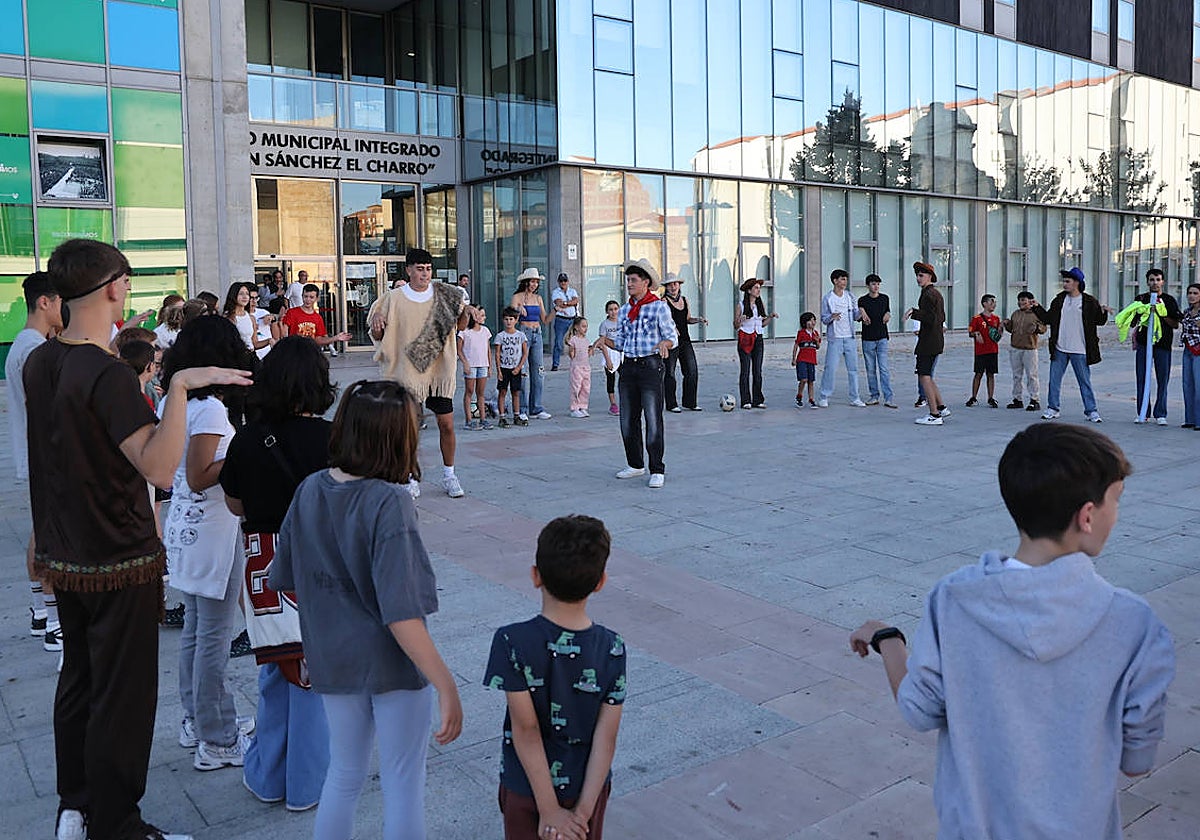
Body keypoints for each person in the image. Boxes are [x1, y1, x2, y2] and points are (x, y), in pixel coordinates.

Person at [849, 423, 1174, 839]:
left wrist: (887, 637)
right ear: (1087, 516)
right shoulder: (1135, 625)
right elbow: (1136, 759)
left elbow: (920, 708)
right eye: (1116, 500)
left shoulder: (953, 600)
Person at [26, 238, 250, 840]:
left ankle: (76, 806)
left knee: (79, 682)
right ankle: (116, 823)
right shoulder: (107, 372)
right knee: (122, 697)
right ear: (114, 288)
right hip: (117, 558)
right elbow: (157, 466)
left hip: (67, 555)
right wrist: (178, 390)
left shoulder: (40, 361)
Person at [268, 380, 463, 840]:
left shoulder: (311, 488)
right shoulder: (389, 501)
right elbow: (402, 614)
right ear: (400, 438)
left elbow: (287, 576)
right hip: (392, 665)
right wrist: (446, 682)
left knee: (344, 772)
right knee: (402, 783)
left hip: (332, 658)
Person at [219, 336, 337, 812]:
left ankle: (267, 775)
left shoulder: (247, 439)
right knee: (314, 675)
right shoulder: (333, 438)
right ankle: (308, 784)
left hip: (263, 567)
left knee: (276, 668)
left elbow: (234, 504)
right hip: (319, 565)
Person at [484, 515, 625, 840]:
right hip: (587, 787)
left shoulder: (511, 642)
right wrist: (584, 813)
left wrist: (548, 809)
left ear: (536, 576)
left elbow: (526, 729)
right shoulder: (612, 647)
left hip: (525, 787)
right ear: (600, 581)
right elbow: (607, 737)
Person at [160, 316, 257, 773]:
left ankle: (198, 719)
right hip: (211, 530)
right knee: (212, 635)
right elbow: (201, 476)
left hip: (187, 527)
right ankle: (216, 738)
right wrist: (245, 453)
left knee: (198, 632)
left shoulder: (178, 401)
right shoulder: (212, 411)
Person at [368, 248, 478, 498]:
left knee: (446, 424)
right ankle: (408, 475)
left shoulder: (445, 295)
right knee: (410, 427)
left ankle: (450, 475)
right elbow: (378, 335)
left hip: (439, 371)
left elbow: (459, 326)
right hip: (406, 371)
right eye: (419, 269)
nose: (424, 274)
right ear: (408, 270)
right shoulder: (392, 298)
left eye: (428, 269)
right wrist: (376, 324)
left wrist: (465, 312)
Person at [5, 272, 64, 657]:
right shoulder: (33, 351)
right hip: (45, 455)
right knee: (49, 537)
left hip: (37, 454)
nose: (65, 310)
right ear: (44, 302)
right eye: (61, 301)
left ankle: (42, 613)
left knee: (41, 532)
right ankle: (54, 621)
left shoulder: (28, 345)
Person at [596, 260, 677, 489]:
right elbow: (621, 342)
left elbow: (673, 335)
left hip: (650, 366)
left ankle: (657, 468)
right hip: (628, 366)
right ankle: (635, 464)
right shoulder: (623, 310)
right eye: (628, 280)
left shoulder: (659, 306)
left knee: (652, 418)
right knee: (627, 420)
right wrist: (605, 342)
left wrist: (665, 342)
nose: (629, 284)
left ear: (646, 283)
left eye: (633, 280)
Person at [1033, 267, 1110, 423]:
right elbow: (1048, 318)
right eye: (1064, 281)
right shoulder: (1059, 300)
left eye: (1068, 281)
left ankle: (1091, 411)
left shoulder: (1088, 301)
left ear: (1077, 283)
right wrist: (1036, 307)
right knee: (1054, 380)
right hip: (1060, 348)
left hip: (1080, 349)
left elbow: (1100, 321)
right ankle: (1053, 408)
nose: (1064, 284)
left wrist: (1103, 311)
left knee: (1084, 382)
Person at [1130, 268, 1182, 425]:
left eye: (1158, 279)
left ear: (1163, 282)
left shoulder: (1169, 300)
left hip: (1163, 344)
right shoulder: (1140, 298)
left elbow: (1175, 323)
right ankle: (1143, 412)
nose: (1155, 283)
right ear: (1147, 282)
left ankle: (1160, 413)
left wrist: (1161, 312)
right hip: (1144, 343)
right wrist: (1141, 311)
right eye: (1152, 280)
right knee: (1142, 377)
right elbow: (1133, 320)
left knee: (1162, 378)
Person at [905, 261, 949, 426]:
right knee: (928, 376)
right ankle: (941, 407)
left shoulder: (928, 294)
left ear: (930, 276)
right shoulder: (934, 293)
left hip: (928, 341)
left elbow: (932, 318)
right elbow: (941, 317)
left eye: (921, 275)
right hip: (934, 340)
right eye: (917, 275)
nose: (918, 278)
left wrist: (914, 312)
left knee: (924, 377)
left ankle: (934, 414)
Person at [817, 269, 865, 408]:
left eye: (845, 279)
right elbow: (824, 319)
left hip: (849, 337)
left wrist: (861, 313)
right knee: (830, 368)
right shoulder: (828, 298)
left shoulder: (850, 296)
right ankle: (824, 396)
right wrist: (832, 317)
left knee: (853, 369)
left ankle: (855, 397)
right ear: (835, 281)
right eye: (842, 279)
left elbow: (855, 315)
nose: (844, 282)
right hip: (835, 338)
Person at [511, 268, 553, 419]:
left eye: (536, 282)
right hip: (523, 332)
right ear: (526, 282)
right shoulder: (517, 297)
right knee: (523, 371)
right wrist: (517, 309)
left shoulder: (538, 298)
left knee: (538, 371)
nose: (534, 284)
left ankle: (536, 407)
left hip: (537, 332)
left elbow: (545, 319)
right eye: (532, 281)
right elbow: (511, 318)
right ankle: (522, 408)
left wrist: (556, 310)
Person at [661, 275, 706, 413]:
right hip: (671, 341)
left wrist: (698, 320)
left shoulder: (684, 300)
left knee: (692, 371)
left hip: (685, 340)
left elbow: (686, 319)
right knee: (670, 372)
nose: (673, 287)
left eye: (675, 284)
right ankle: (671, 404)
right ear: (666, 287)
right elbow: (662, 320)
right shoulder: (663, 301)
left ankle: (690, 402)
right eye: (670, 285)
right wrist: (672, 327)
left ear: (679, 285)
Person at [735, 278, 777, 409]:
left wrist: (770, 317)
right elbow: (735, 325)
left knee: (757, 370)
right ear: (749, 290)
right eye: (756, 288)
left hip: (758, 338)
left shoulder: (760, 305)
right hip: (745, 338)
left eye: (759, 288)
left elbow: (762, 324)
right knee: (745, 370)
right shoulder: (741, 305)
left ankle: (758, 399)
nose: (758, 291)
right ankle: (745, 400)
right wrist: (740, 320)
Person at [1002, 290, 1046, 411]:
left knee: (1032, 375)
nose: (1020, 302)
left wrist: (1037, 328)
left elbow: (1043, 328)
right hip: (1015, 347)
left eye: (1023, 300)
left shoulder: (1035, 314)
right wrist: (1007, 324)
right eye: (1019, 300)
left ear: (1030, 302)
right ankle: (1017, 399)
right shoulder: (1015, 314)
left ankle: (1034, 400)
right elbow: (1012, 329)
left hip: (1030, 349)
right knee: (1016, 375)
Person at [857, 274, 895, 408]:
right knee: (870, 369)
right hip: (868, 338)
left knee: (884, 368)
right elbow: (858, 316)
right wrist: (862, 312)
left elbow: (888, 311)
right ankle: (874, 395)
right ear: (868, 285)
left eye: (878, 284)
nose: (876, 286)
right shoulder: (862, 300)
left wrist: (888, 314)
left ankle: (888, 397)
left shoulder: (885, 298)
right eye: (873, 284)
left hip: (882, 337)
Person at [281, 283, 351, 350]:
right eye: (305, 296)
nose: (308, 300)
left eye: (311, 297)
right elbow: (284, 331)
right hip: (294, 351)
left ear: (317, 298)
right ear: (302, 296)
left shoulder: (318, 318)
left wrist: (335, 338)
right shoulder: (292, 312)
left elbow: (318, 340)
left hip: (310, 352)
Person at [458, 305, 494, 431]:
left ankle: (483, 419)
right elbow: (459, 349)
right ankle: (468, 420)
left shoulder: (485, 331)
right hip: (471, 365)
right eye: (481, 315)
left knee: (481, 393)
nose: (484, 317)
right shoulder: (464, 331)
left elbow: (488, 350)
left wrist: (489, 366)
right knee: (469, 391)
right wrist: (465, 363)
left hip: (482, 364)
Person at [494, 307, 530, 428]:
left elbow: (525, 353)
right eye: (506, 319)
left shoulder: (521, 335)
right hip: (504, 368)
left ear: (516, 320)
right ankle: (502, 417)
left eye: (511, 319)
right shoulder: (500, 336)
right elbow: (497, 353)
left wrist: (519, 367)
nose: (509, 322)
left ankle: (516, 415)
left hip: (516, 368)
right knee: (502, 392)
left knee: (516, 392)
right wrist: (498, 370)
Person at [966, 294, 1001, 408]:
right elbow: (970, 332)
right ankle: (973, 397)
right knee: (978, 374)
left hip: (992, 350)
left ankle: (991, 397)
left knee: (991, 374)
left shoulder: (996, 319)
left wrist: (1001, 329)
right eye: (991, 302)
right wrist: (976, 333)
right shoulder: (976, 319)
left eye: (994, 302)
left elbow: (997, 336)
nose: (993, 305)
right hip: (980, 351)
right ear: (984, 304)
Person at [592, 301, 623, 416]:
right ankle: (613, 404)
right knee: (611, 379)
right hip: (610, 353)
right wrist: (608, 359)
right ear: (607, 311)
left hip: (622, 353)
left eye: (615, 309)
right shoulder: (604, 324)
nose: (613, 312)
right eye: (611, 309)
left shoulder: (622, 322)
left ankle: (626, 401)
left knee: (626, 378)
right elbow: (602, 342)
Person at [550, 272, 580, 371]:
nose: (563, 283)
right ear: (558, 282)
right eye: (561, 281)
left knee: (575, 342)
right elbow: (559, 303)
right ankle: (555, 364)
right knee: (558, 342)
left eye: (565, 281)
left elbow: (576, 301)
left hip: (573, 319)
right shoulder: (556, 292)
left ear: (568, 281)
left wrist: (566, 303)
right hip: (561, 320)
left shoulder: (572, 291)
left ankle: (576, 362)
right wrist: (569, 303)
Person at [1181, 283, 1200, 430]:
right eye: (1190, 293)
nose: (1192, 296)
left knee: (1199, 386)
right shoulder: (1186, 312)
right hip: (1187, 350)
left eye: (1195, 293)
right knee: (1187, 385)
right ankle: (1190, 419)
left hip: (1198, 351)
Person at [791, 312, 821, 409]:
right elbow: (796, 345)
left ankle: (811, 399)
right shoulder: (801, 333)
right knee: (803, 379)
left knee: (811, 380)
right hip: (802, 359)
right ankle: (799, 396)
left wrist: (816, 341)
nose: (813, 322)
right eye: (810, 320)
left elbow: (818, 347)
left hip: (811, 360)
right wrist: (794, 358)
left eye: (814, 320)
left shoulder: (816, 333)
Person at [566, 317, 592, 418]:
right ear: (576, 327)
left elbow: (587, 353)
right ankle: (574, 408)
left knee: (586, 388)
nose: (585, 329)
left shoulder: (586, 340)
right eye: (583, 326)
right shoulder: (573, 339)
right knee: (576, 387)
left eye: (586, 326)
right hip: (576, 367)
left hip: (586, 367)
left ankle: (583, 406)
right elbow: (571, 353)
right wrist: (571, 352)